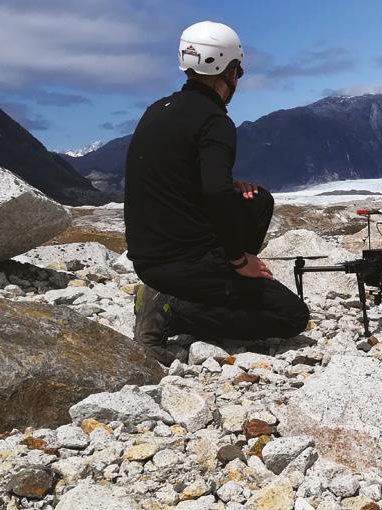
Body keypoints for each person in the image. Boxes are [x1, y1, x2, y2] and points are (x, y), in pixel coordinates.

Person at [124, 21, 310, 365]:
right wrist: (239, 259)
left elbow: (175, 180)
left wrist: (227, 186)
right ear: (230, 71)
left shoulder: (156, 110)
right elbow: (214, 194)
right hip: (183, 264)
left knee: (258, 200)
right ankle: (173, 309)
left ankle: (194, 293)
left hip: (147, 258)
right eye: (239, 70)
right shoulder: (215, 121)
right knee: (291, 315)